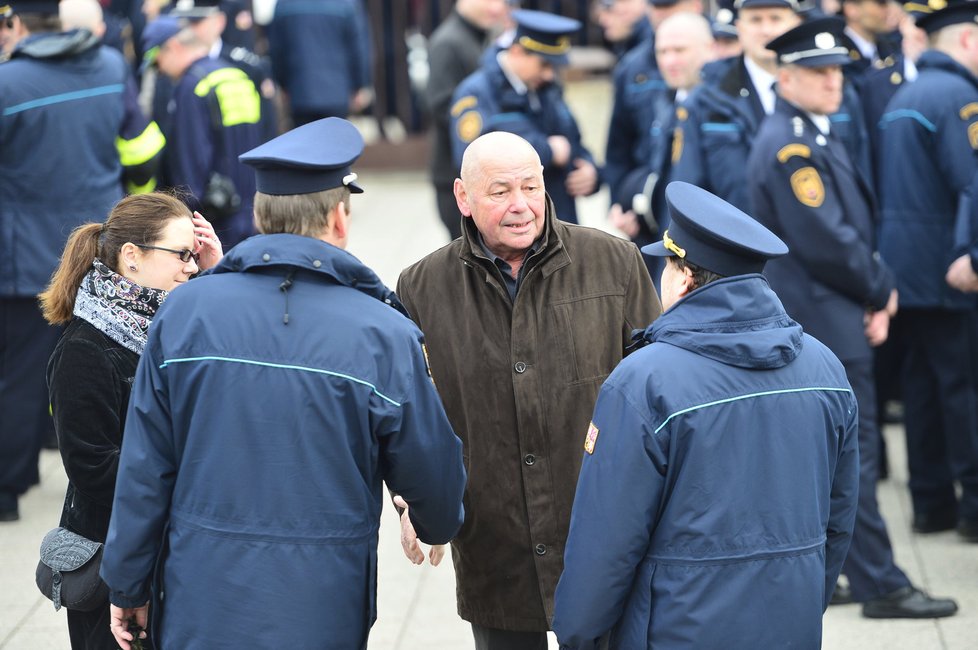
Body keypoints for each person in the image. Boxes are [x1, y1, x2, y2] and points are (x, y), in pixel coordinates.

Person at [100, 117, 467, 650]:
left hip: (202, 594)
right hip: (323, 603)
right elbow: (432, 470)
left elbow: (144, 467)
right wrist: (434, 521)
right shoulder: (383, 332)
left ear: (258, 215)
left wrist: (128, 581)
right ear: (339, 217)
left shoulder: (184, 312)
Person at [552, 181, 859, 649]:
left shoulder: (642, 381)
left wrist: (577, 635)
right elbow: (837, 522)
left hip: (674, 631)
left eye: (666, 264)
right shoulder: (826, 367)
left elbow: (606, 543)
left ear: (684, 279)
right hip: (789, 626)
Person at [396, 131, 661, 650]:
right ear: (462, 198)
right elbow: (409, 415)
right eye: (499, 191)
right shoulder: (422, 287)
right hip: (495, 543)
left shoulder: (614, 262)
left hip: (602, 540)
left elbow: (660, 396)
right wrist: (411, 500)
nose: (520, 206)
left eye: (531, 187)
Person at [748, 16, 959, 618]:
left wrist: (874, 287)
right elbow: (826, 241)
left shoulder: (810, 131)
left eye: (836, 70)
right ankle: (880, 584)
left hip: (833, 312)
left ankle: (835, 573)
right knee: (852, 456)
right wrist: (879, 289)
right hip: (828, 319)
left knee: (834, 456)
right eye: (817, 72)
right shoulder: (790, 143)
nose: (832, 82)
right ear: (786, 77)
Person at [0, 0, 164, 523]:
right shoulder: (111, 67)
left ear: (17, 24)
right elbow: (141, 150)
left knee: (20, 373)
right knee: (98, 352)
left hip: (23, 252)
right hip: (101, 244)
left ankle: (9, 485)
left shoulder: (9, 84)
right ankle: (74, 449)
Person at [41, 194, 222, 649]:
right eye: (182, 255)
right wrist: (192, 476)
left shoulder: (173, 323)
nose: (192, 267)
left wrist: (219, 272)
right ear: (131, 258)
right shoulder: (84, 350)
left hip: (176, 556)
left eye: (194, 256)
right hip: (116, 563)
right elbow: (93, 468)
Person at [877, 0, 978, 543]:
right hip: (950, 267)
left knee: (922, 389)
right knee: (964, 388)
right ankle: (974, 508)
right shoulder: (962, 98)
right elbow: (972, 185)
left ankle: (931, 504)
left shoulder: (904, 95)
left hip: (906, 269)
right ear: (966, 42)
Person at [450, 9, 601, 223]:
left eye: (554, 66)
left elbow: (571, 139)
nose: (549, 74)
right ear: (517, 52)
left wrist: (590, 171)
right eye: (544, 64)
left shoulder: (547, 88)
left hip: (558, 219)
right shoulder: (477, 93)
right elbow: (470, 157)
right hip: (511, 224)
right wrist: (548, 151)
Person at [142, 15, 264, 248]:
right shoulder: (237, 75)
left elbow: (191, 163)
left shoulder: (191, 86)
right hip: (250, 211)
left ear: (174, 47)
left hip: (214, 221)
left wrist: (187, 220)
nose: (161, 71)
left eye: (157, 62)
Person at [609, 11, 714, 281]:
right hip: (664, 248)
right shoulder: (667, 102)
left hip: (708, 257)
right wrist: (631, 206)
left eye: (680, 50)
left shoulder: (722, 110)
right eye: (662, 51)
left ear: (709, 49)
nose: (669, 61)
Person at [426, 0, 509, 240]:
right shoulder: (448, 42)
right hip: (457, 172)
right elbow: (442, 107)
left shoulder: (480, 35)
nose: (496, 7)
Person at [267, 0, 373, 126]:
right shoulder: (347, 4)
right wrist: (360, 84)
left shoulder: (284, 4)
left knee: (305, 142)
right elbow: (358, 48)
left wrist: (282, 83)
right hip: (337, 92)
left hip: (300, 90)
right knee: (335, 141)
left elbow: (277, 49)